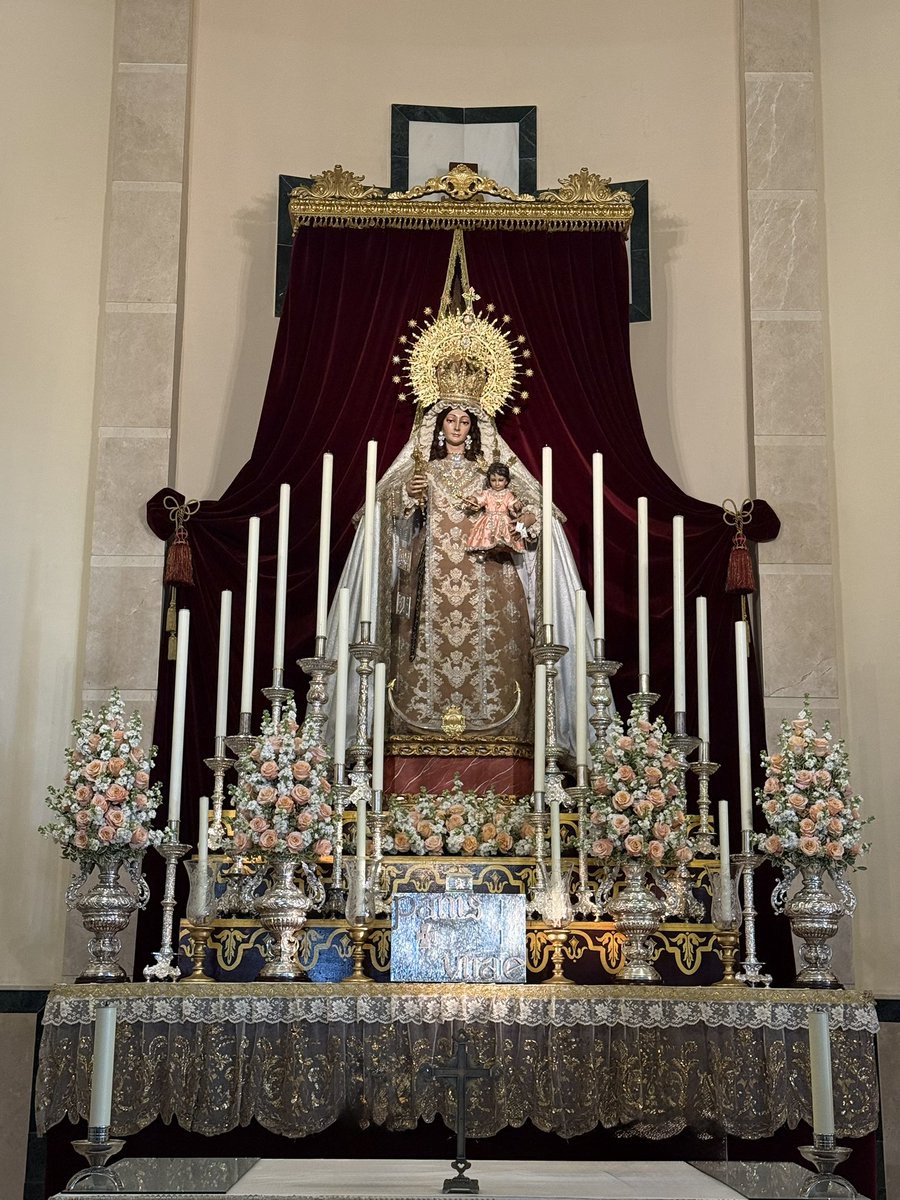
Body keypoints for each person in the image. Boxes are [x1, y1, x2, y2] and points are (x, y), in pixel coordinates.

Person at [387, 405, 538, 747]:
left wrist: (522, 518)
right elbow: (392, 510)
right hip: (431, 573)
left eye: (465, 422)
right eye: (451, 420)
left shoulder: (488, 472)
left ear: (473, 429)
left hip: (486, 568)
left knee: (490, 641)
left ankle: (497, 734)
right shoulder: (423, 469)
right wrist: (408, 494)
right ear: (439, 426)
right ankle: (419, 731)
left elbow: (529, 506)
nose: (457, 427)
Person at [464, 461, 527, 557]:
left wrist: (516, 505)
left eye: (500, 480)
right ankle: (486, 550)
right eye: (493, 480)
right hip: (488, 521)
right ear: (489, 481)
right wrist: (473, 500)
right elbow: (479, 499)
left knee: (505, 538)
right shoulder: (487, 493)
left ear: (506, 481)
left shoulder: (508, 494)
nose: (497, 483)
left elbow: (511, 504)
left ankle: (502, 549)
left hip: (504, 521)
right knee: (486, 537)